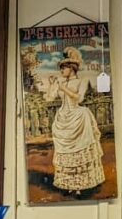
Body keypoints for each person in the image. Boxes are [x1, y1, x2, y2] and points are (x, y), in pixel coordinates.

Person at [41, 47, 105, 194]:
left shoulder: (82, 80)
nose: (61, 71)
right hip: (63, 117)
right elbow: (49, 98)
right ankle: (69, 183)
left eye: (64, 68)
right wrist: (52, 85)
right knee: (66, 153)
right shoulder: (60, 82)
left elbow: (79, 98)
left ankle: (82, 184)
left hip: (78, 116)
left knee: (81, 150)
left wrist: (63, 88)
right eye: (61, 68)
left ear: (72, 68)